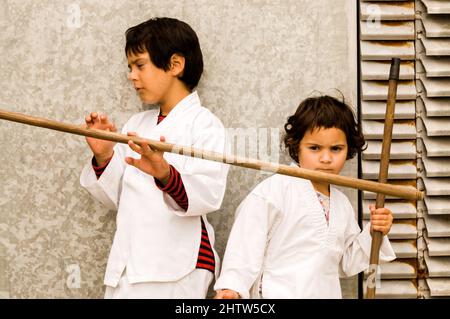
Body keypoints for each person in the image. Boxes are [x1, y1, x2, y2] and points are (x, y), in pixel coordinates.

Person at [80, 17, 229, 299]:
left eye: (140, 65)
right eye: (129, 67)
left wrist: (165, 174)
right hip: (129, 266)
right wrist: (104, 156)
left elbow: (209, 195)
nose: (131, 76)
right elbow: (119, 199)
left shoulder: (205, 125)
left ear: (175, 64)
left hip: (178, 266)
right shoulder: (137, 124)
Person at [214, 95, 396, 299]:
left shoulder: (342, 204)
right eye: (315, 148)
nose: (326, 158)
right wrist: (232, 287)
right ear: (296, 146)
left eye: (336, 149)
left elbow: (347, 262)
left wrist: (374, 232)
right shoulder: (274, 191)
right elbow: (245, 245)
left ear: (348, 150)